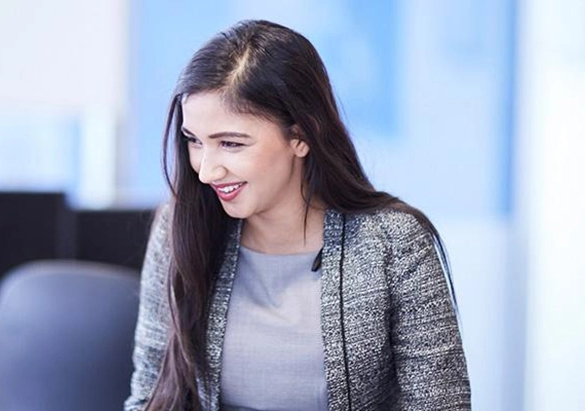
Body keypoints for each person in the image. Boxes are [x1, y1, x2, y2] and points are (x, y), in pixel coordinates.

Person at [125, 19, 470, 411]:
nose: (206, 171)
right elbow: (149, 397)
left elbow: (440, 404)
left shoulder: (394, 243)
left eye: (231, 144)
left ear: (302, 136)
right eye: (195, 142)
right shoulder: (180, 227)